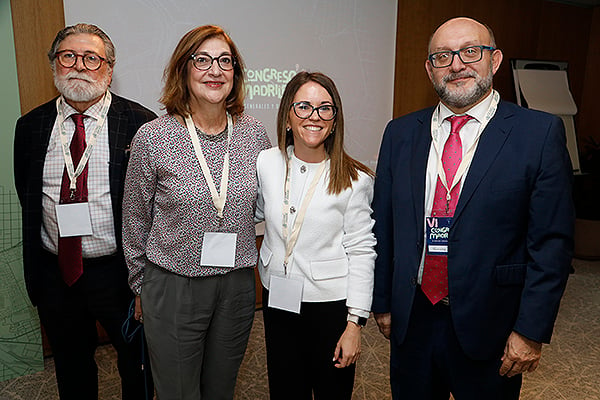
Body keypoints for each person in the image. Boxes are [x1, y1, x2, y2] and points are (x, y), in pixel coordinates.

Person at [371, 17, 574, 400]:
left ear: (494, 61)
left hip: (492, 325)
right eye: (443, 56)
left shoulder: (538, 134)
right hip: (412, 317)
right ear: (430, 69)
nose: (457, 64)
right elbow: (384, 225)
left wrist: (530, 331)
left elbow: (551, 244)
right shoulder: (400, 133)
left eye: (470, 52)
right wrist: (382, 301)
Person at [122, 25, 271, 400]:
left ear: (235, 73)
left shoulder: (254, 134)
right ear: (183, 70)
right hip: (173, 283)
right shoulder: (153, 136)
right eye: (201, 60)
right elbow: (135, 217)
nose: (214, 70)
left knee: (221, 388)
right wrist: (141, 285)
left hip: (236, 283)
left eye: (225, 61)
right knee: (177, 392)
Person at [13, 23, 157, 400]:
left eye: (91, 58)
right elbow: (27, 196)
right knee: (71, 367)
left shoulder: (141, 125)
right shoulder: (29, 127)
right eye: (68, 56)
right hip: (56, 273)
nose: (79, 66)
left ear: (109, 70)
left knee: (136, 365)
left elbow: (156, 209)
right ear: (54, 66)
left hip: (120, 275)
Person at [255, 71, 376, 400]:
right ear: (288, 117)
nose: (314, 116)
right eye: (304, 107)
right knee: (284, 388)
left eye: (325, 108)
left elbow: (363, 251)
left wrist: (354, 325)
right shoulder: (266, 163)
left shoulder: (355, 179)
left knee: (331, 391)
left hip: (330, 306)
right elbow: (257, 212)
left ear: (334, 121)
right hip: (277, 297)